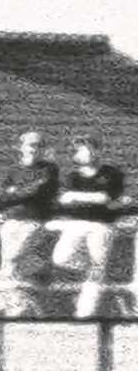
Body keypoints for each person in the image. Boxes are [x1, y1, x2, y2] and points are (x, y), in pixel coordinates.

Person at [49, 135, 126, 318]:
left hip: (101, 225)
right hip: (76, 223)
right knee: (61, 258)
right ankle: (93, 270)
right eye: (82, 150)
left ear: (98, 151)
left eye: (91, 148)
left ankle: (85, 313)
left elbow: (106, 198)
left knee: (97, 268)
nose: (87, 153)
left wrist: (78, 197)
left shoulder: (111, 174)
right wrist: (89, 198)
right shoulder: (72, 177)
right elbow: (64, 199)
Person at [0, 132, 58, 288]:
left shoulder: (48, 169)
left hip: (33, 221)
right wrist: (22, 192)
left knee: (14, 256)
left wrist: (15, 191)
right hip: (11, 220)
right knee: (7, 263)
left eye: (39, 145)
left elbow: (39, 190)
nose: (35, 149)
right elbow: (1, 197)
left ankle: (21, 292)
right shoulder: (13, 170)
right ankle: (7, 300)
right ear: (20, 147)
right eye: (31, 145)